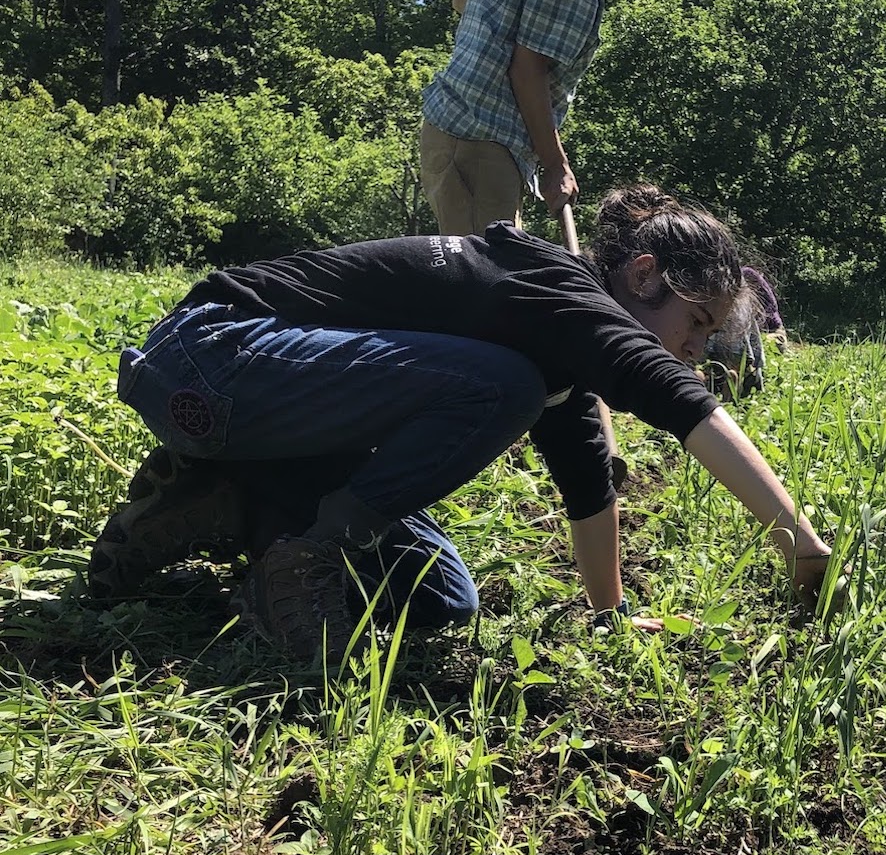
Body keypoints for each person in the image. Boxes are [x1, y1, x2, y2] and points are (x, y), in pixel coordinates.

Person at [86, 190, 830, 661]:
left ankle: (228, 498)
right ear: (642, 276)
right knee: (500, 386)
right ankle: (302, 560)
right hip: (211, 356)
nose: (695, 349)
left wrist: (610, 617)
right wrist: (799, 542)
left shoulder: (560, 363)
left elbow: (589, 488)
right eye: (695, 322)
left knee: (441, 597)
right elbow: (673, 397)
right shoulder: (557, 288)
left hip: (265, 410)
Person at [418, 0, 670, 234]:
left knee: (477, 274)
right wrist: (555, 165)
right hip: (482, 145)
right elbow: (527, 71)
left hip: (451, 131)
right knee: (484, 284)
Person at [702, 265, 785, 401]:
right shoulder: (717, 286)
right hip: (745, 333)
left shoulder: (748, 275)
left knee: (739, 332)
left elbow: (772, 311)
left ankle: (725, 378)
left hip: (771, 331)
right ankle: (728, 378)